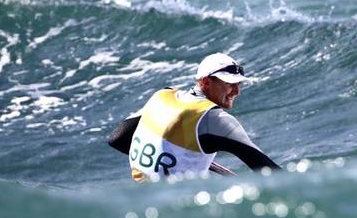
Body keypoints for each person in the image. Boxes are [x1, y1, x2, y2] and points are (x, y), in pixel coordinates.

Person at [107, 53, 279, 181]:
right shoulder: (215, 119)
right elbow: (267, 169)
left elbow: (117, 138)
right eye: (229, 83)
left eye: (238, 83)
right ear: (205, 82)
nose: (236, 91)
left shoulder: (162, 97)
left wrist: (169, 160)